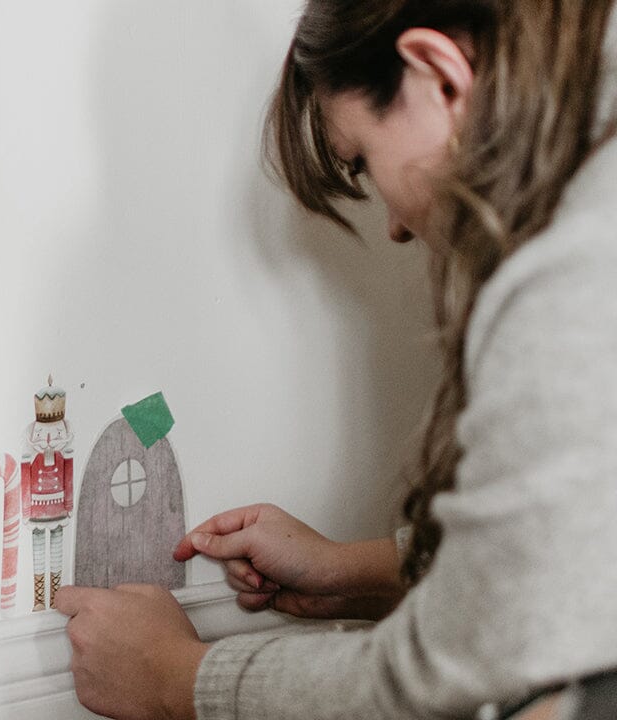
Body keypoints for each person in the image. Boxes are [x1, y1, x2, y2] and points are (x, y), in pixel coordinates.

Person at [55, 1, 617, 718]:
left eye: (364, 160)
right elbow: (574, 555)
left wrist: (173, 676)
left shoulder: (580, 265)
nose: (395, 226)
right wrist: (360, 572)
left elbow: (455, 680)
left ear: (440, 78)